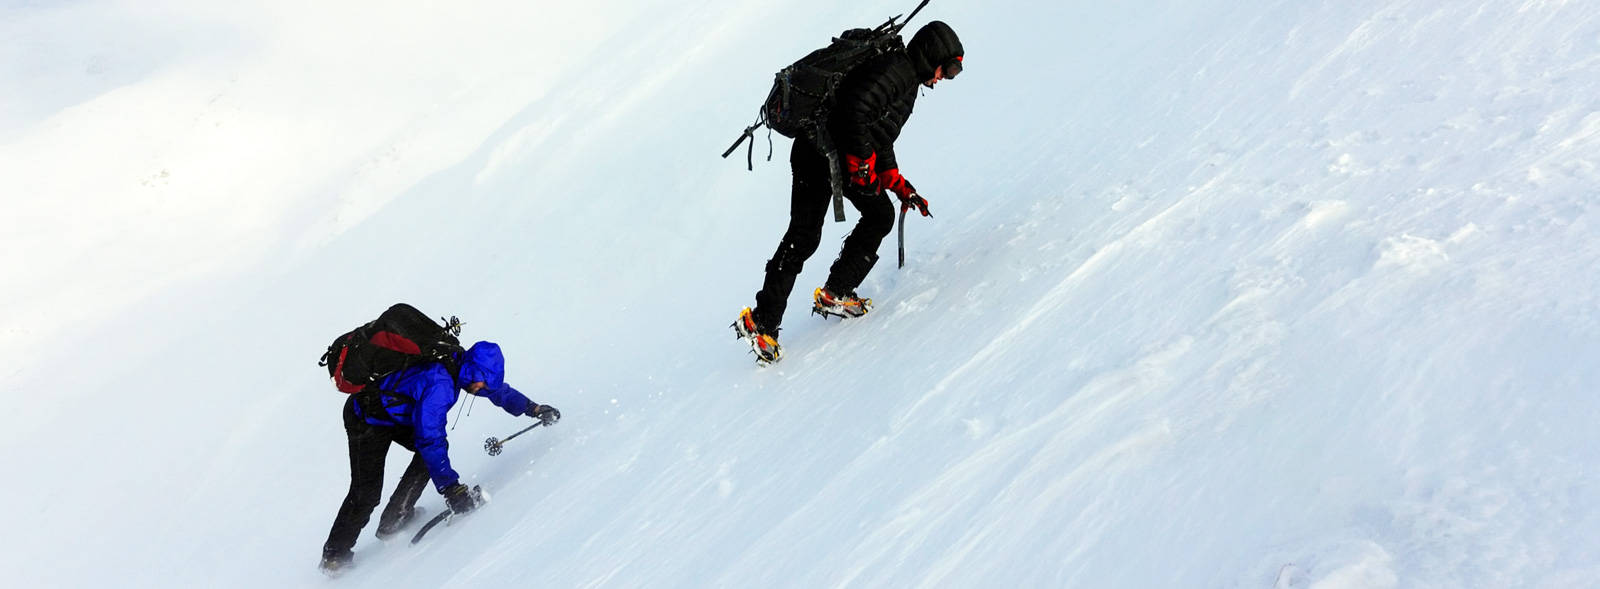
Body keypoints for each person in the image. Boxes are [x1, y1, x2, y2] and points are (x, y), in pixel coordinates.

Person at [735, 21, 964, 364]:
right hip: (819, 154)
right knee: (810, 234)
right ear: (932, 56)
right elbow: (853, 112)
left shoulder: (905, 80)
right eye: (947, 69)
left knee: (865, 218)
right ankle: (769, 318)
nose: (944, 78)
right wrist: (862, 166)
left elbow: (878, 133)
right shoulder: (897, 71)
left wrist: (899, 185)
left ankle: (828, 295)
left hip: (830, 155)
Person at [319, 341, 561, 575]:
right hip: (366, 419)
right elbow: (429, 439)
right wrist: (452, 490)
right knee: (367, 493)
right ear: (472, 372)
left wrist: (535, 409)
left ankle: (394, 519)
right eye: (480, 383)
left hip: (396, 414)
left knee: (428, 456)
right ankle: (334, 556)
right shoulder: (440, 385)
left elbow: (498, 391)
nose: (481, 389)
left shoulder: (461, 365)